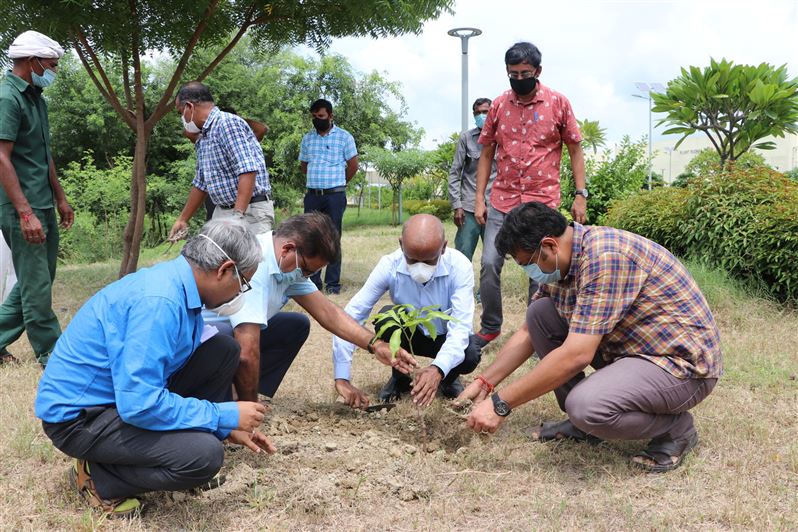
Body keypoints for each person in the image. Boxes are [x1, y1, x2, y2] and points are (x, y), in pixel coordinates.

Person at [459, 202, 722, 473]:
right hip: (633, 352)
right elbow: (528, 331)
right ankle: (584, 426)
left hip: (679, 368)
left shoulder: (605, 258)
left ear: (550, 246)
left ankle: (675, 430)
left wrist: (501, 404)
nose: (531, 272)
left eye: (529, 264)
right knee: (540, 313)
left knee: (586, 406)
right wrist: (486, 382)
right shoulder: (565, 259)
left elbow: (577, 354)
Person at [35, 221, 275, 516]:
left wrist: (225, 427)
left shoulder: (180, 287)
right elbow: (139, 404)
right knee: (204, 456)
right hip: (80, 420)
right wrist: (221, 415)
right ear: (224, 270)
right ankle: (100, 477)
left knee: (223, 351)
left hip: (117, 400)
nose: (241, 293)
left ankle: (139, 457)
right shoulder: (159, 302)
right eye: (243, 283)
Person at [204, 212, 417, 409]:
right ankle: (226, 400)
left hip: (230, 337)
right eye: (306, 270)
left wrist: (376, 345)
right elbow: (248, 350)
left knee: (295, 325)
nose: (305, 276)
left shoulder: (288, 268)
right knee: (230, 340)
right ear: (288, 249)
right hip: (202, 341)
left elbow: (328, 313)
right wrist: (247, 411)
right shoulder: (256, 263)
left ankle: (237, 393)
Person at [473, 41, 588, 348]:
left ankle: (534, 331)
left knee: (540, 270)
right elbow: (486, 153)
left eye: (525, 72)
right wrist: (480, 198)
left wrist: (581, 194)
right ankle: (490, 325)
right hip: (503, 200)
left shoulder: (558, 103)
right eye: (513, 73)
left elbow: (575, 149)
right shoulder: (498, 105)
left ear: (538, 71)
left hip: (541, 202)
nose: (519, 78)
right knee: (488, 264)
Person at [334, 214, 481, 407]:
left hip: (445, 335)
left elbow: (460, 328)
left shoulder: (459, 266)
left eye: (429, 261)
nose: (420, 268)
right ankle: (400, 378)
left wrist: (438, 368)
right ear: (401, 244)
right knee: (387, 319)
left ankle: (448, 378)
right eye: (411, 259)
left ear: (444, 247)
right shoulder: (389, 265)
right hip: (411, 337)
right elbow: (351, 316)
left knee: (470, 353)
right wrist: (342, 377)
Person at [0, 30, 73, 367]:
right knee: (37, 285)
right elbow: (2, 157)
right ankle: (52, 353)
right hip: (21, 206)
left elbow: (43, 156)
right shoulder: (7, 97)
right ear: (32, 62)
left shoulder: (36, 98)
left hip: (42, 202)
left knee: (38, 279)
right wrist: (25, 212)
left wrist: (60, 197)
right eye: (51, 64)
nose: (54, 70)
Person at [169, 82, 273, 239]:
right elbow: (200, 184)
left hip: (249, 213)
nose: (182, 119)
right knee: (218, 262)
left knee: (252, 262)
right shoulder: (203, 137)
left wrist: (237, 217)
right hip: (222, 213)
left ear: (189, 107)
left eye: (180, 112)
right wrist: (183, 219)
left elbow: (248, 170)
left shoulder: (227, 123)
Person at [299, 98, 359, 294]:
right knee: (310, 238)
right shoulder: (308, 138)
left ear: (331, 116)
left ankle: (332, 284)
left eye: (321, 116)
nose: (317, 119)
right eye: (314, 117)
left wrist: (341, 182)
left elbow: (353, 165)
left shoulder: (344, 137)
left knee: (333, 237)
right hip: (313, 195)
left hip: (334, 196)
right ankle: (312, 282)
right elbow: (304, 166)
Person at [448, 97, 497, 262]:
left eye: (485, 112)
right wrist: (457, 205)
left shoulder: (502, 137)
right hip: (469, 207)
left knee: (492, 258)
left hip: (495, 207)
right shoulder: (466, 138)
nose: (481, 116)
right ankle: (461, 288)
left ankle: (485, 289)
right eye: (477, 113)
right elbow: (455, 172)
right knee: (462, 256)